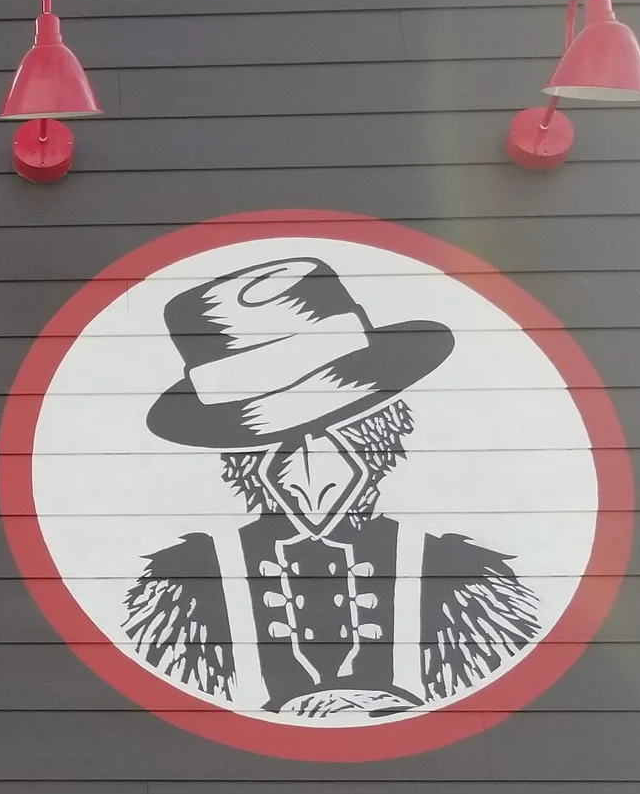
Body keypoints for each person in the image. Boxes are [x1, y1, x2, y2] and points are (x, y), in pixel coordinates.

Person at [123, 256, 542, 718]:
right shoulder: (187, 586)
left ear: (386, 421)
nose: (311, 463)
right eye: (277, 438)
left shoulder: (462, 578)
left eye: (339, 424)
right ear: (237, 447)